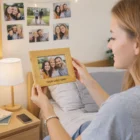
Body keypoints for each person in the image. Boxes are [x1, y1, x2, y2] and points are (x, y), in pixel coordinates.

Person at [31, 0, 140, 140]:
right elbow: (119, 115)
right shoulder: (125, 105)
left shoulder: (121, 105)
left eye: (113, 37)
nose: (109, 45)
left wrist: (46, 108)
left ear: (136, 44)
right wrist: (88, 81)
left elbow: (118, 110)